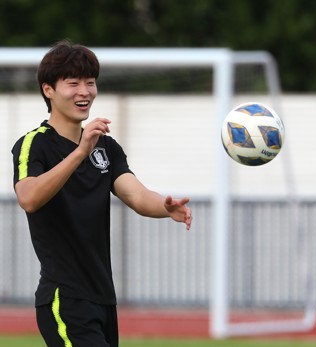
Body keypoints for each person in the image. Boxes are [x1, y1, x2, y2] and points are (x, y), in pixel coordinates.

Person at [11, 40, 192, 347]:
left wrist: (165, 206)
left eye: (90, 83)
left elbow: (136, 195)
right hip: (64, 299)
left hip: (104, 300)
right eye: (73, 83)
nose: (84, 91)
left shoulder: (106, 147)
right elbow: (28, 197)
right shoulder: (34, 144)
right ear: (48, 90)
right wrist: (80, 152)